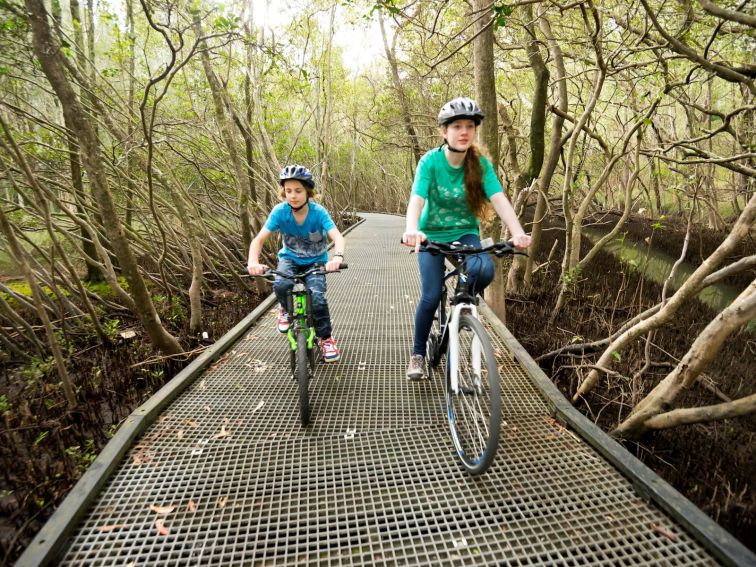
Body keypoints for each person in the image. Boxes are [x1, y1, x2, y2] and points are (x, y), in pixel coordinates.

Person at [401, 97, 531, 380]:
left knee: (483, 269)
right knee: (431, 294)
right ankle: (418, 354)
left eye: (469, 126)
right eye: (456, 126)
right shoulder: (430, 162)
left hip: (465, 234)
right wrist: (413, 229)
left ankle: (461, 312)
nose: (463, 132)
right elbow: (417, 200)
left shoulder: (480, 164)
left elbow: (499, 199)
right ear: (444, 132)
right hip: (432, 236)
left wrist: (518, 232)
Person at [247, 164, 346, 362]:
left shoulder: (318, 213)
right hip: (289, 259)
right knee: (281, 284)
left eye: (298, 191)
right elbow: (258, 240)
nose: (293, 195)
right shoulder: (279, 212)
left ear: (308, 192)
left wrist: (337, 257)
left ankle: (325, 338)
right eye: (288, 190)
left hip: (316, 263)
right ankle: (285, 308)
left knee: (317, 298)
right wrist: (253, 262)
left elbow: (338, 237)